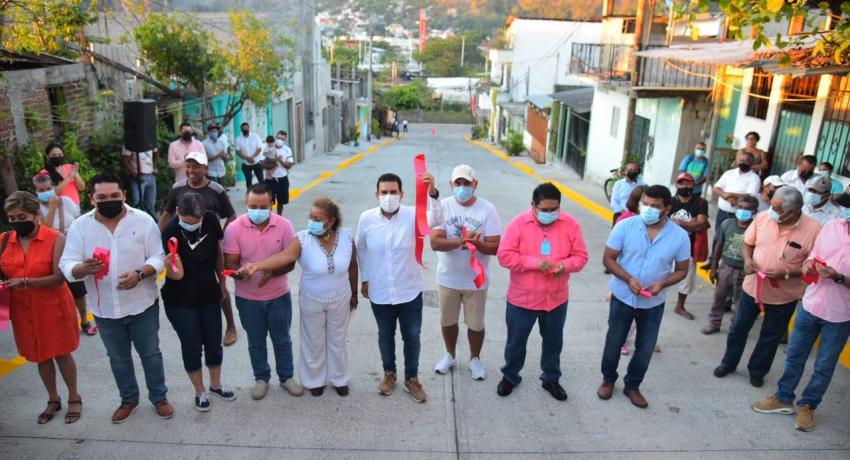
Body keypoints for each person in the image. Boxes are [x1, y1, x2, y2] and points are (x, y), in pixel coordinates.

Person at [59, 174, 171, 423]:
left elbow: (158, 256)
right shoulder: (80, 227)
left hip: (142, 304)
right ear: (92, 199)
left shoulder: (142, 220)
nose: (109, 201)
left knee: (151, 353)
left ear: (124, 195)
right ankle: (129, 399)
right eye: (102, 198)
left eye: (114, 196)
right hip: (104, 309)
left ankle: (159, 397)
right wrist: (82, 269)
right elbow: (67, 264)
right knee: (118, 358)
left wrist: (140, 274)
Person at [239, 197, 358, 397]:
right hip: (312, 298)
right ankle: (315, 381)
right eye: (311, 217)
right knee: (313, 341)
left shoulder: (346, 237)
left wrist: (354, 293)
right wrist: (257, 266)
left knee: (338, 340)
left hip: (340, 297)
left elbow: (353, 264)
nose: (312, 222)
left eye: (318, 219)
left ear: (331, 221)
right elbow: (284, 257)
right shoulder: (303, 238)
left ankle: (339, 379)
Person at [750, 195, 850, 432]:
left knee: (824, 366)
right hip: (810, 303)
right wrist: (808, 264)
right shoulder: (833, 226)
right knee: (794, 356)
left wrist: (838, 277)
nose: (846, 212)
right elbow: (813, 255)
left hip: (840, 314)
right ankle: (784, 397)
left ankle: (808, 405)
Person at [714, 187, 821, 388]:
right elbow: (748, 243)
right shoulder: (763, 218)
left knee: (770, 336)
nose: (770, 210)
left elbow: (814, 267)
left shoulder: (814, 230)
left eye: (776, 208)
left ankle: (757, 370)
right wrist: (747, 260)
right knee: (738, 328)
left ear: (792, 212)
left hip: (784, 295)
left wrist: (787, 274)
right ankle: (728, 362)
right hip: (752, 287)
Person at [598, 185, 690, 408]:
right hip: (622, 296)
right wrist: (628, 279)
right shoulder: (625, 226)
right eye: (645, 204)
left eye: (655, 206)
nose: (648, 209)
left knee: (645, 346)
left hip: (653, 302)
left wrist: (663, 283)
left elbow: (682, 270)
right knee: (614, 341)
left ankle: (633, 386)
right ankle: (608, 379)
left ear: (667, 208)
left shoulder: (679, 236)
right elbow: (608, 259)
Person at [496, 183, 589, 401]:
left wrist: (565, 266)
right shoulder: (518, 224)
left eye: (554, 209)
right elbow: (505, 256)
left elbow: (581, 256)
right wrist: (536, 263)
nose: (550, 214)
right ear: (533, 206)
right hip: (522, 299)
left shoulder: (570, 224)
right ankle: (510, 375)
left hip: (555, 299)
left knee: (554, 342)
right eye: (545, 210)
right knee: (516, 341)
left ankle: (551, 378)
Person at [1, 192, 82, 424]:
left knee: (61, 353)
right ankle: (52, 398)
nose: (17, 222)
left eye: (22, 216)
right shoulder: (6, 240)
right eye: (12, 218)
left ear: (36, 215)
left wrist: (25, 282)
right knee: (39, 356)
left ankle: (74, 397)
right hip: (22, 310)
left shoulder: (55, 238)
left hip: (52, 306)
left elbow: (59, 277)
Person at [356, 173, 435, 403]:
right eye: (384, 192)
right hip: (380, 290)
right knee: (385, 335)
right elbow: (361, 247)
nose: (389, 196)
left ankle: (412, 378)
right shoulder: (367, 219)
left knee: (411, 336)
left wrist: (432, 193)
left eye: (393, 192)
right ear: (377, 195)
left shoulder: (413, 215)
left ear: (402, 194)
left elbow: (436, 219)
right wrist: (365, 278)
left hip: (409, 290)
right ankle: (389, 373)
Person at [222, 184, 303, 400]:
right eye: (252, 206)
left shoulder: (285, 226)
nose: (257, 211)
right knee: (255, 341)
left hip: (279, 296)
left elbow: (290, 262)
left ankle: (286, 377)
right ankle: (261, 378)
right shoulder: (234, 228)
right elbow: (230, 265)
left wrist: (272, 272)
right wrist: (240, 274)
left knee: (282, 339)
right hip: (247, 299)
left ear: (272, 205)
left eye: (262, 206)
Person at [161, 193, 236, 412]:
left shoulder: (211, 220)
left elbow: (218, 253)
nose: (191, 226)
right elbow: (175, 274)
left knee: (213, 341)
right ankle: (200, 391)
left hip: (209, 294)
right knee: (192, 345)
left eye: (196, 222)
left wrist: (222, 281)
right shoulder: (170, 232)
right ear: (177, 212)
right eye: (187, 222)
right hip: (180, 300)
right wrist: (172, 268)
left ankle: (216, 384)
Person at [429, 164, 502, 381]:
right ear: (451, 185)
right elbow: (434, 242)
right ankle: (450, 355)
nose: (462, 187)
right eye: (458, 183)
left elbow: (496, 246)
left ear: (475, 184)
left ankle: (474, 358)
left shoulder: (487, 209)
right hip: (448, 279)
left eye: (467, 183)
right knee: (447, 321)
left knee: (476, 324)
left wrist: (477, 244)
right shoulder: (442, 207)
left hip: (476, 282)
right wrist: (460, 241)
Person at [159, 151, 239, 346]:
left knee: (220, 286)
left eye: (195, 166)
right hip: (184, 247)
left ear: (205, 168)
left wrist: (221, 235)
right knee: (190, 284)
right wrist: (159, 238)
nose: (191, 170)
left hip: (210, 245)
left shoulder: (216, 189)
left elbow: (231, 215)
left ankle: (230, 326)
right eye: (188, 166)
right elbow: (167, 214)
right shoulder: (177, 188)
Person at [33, 173, 96, 336]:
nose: (46, 192)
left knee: (78, 288)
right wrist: (52, 206)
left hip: (70, 248)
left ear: (54, 186)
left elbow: (80, 222)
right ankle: (61, 324)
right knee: (56, 288)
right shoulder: (35, 208)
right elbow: (44, 229)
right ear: (36, 191)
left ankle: (84, 320)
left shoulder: (67, 202)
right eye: (41, 190)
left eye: (48, 188)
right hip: (49, 250)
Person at [703, 196, 759, 334]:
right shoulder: (727, 224)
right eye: (740, 208)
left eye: (747, 209)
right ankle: (714, 323)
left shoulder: (756, 228)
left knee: (740, 301)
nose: (743, 211)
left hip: (744, 271)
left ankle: (736, 326)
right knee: (719, 297)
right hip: (726, 267)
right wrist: (714, 266)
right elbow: (719, 245)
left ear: (754, 211)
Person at [703, 151, 761, 269]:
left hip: (738, 215)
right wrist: (725, 195)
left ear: (751, 163)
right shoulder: (729, 173)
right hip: (723, 212)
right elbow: (717, 188)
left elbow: (750, 196)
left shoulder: (754, 178)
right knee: (718, 237)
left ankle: (730, 262)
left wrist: (729, 194)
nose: (743, 163)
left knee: (734, 240)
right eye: (741, 160)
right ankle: (712, 261)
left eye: (746, 161)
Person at [668, 173, 709, 320]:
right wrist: (691, 223)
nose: (685, 186)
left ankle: (680, 306)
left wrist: (678, 223)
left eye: (689, 183)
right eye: (681, 183)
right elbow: (662, 221)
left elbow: (701, 223)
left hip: (689, 248)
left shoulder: (700, 203)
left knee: (686, 278)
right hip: (667, 246)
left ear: (694, 185)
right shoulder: (670, 202)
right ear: (676, 185)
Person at [262, 136, 295, 215]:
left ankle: (279, 217)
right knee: (268, 200)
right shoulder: (268, 148)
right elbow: (262, 163)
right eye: (278, 137)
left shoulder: (287, 150)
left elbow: (290, 165)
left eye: (282, 138)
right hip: (270, 180)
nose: (279, 140)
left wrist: (280, 161)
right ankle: (268, 217)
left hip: (282, 179)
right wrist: (270, 164)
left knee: (281, 202)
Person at [121, 145, 158, 217]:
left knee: (150, 203)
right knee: (137, 204)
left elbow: (156, 152)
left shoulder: (150, 140)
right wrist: (134, 175)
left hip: (151, 175)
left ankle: (152, 223)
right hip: (137, 177)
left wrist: (154, 167)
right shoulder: (129, 141)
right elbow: (125, 160)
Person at [609, 161, 642, 226]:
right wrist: (626, 214)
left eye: (635, 170)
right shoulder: (618, 184)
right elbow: (614, 202)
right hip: (621, 215)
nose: (633, 172)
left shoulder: (642, 185)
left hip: (636, 217)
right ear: (625, 171)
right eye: (630, 170)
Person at [235, 122, 264, 188]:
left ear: (249, 128)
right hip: (246, 163)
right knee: (248, 181)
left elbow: (259, 148)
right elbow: (238, 151)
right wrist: (247, 158)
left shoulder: (255, 136)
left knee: (261, 179)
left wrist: (252, 157)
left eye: (246, 128)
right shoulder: (238, 139)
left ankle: (264, 194)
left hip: (256, 162)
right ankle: (250, 195)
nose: (245, 130)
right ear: (241, 130)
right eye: (243, 129)